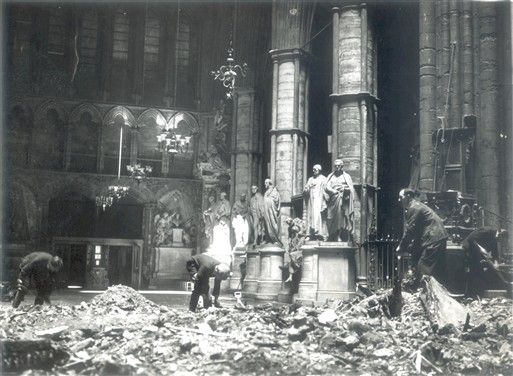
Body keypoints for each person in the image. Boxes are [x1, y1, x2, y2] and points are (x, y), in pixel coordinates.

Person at [396, 188, 448, 284]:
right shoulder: (418, 206)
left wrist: (401, 247)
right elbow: (418, 231)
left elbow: (410, 231)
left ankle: (423, 295)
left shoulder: (414, 208)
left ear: (408, 196)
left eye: (400, 197)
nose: (399, 200)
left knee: (423, 268)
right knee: (437, 272)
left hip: (433, 239)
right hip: (438, 237)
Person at [462, 227, 510, 296]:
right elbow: (471, 238)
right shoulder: (487, 231)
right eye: (501, 240)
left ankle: (475, 295)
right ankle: (469, 295)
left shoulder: (495, 240)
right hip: (469, 249)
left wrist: (496, 264)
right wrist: (480, 248)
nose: (500, 242)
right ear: (500, 234)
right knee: (473, 272)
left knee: (479, 273)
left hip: (477, 255)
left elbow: (495, 255)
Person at [324, 159, 357, 242]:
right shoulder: (330, 176)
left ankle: (338, 235)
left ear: (342, 166)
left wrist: (343, 188)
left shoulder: (346, 176)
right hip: (332, 200)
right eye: (335, 166)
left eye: (339, 165)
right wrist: (332, 190)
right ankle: (331, 235)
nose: (337, 167)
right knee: (329, 217)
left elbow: (350, 189)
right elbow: (326, 187)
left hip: (341, 199)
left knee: (340, 218)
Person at [303, 164, 328, 240]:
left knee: (318, 216)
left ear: (319, 170)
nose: (314, 171)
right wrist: (308, 187)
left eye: (315, 170)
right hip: (311, 200)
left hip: (319, 200)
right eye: (313, 169)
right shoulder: (310, 179)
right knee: (311, 216)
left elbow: (326, 188)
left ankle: (319, 233)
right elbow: (305, 190)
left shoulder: (323, 178)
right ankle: (310, 233)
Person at [263, 179, 282, 245]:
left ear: (269, 183)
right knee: (267, 224)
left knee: (273, 223)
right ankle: (268, 239)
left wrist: (268, 201)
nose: (265, 184)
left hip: (272, 211)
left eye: (266, 183)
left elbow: (276, 200)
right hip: (266, 211)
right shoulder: (267, 191)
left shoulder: (274, 191)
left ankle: (275, 239)